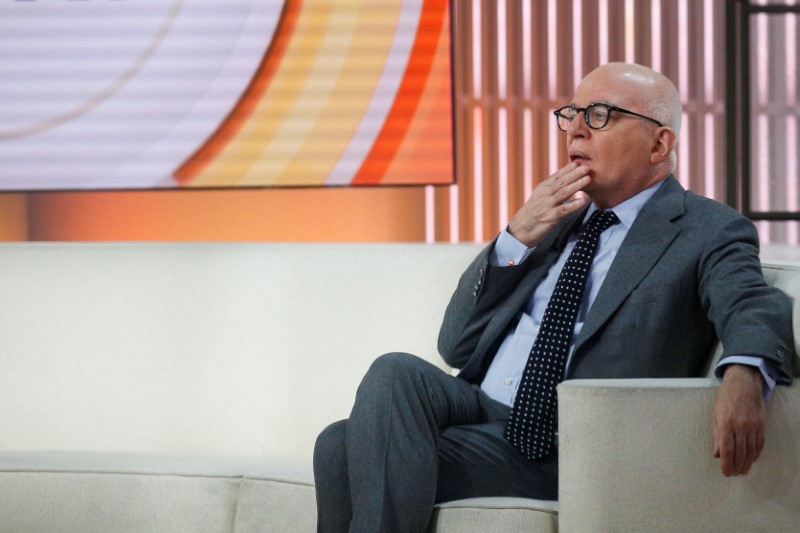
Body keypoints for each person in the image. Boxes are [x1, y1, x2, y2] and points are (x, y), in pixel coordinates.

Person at [313, 62, 795, 533]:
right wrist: (515, 236)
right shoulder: (554, 221)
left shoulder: (705, 228)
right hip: (484, 407)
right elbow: (456, 344)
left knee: (340, 447)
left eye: (600, 114)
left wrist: (745, 373)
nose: (576, 130)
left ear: (659, 143)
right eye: (572, 114)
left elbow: (750, 302)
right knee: (392, 374)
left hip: (565, 438)